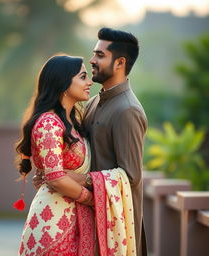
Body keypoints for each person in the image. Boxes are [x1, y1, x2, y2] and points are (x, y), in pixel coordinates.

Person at [34, 27, 148, 256]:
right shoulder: (94, 102)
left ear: (119, 63)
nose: (92, 60)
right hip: (88, 218)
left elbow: (131, 176)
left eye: (100, 55)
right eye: (94, 53)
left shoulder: (128, 110)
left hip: (116, 227)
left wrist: (74, 178)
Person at [15, 55, 96, 255]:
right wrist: (92, 199)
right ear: (64, 82)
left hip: (71, 216)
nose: (89, 82)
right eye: (83, 76)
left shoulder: (73, 123)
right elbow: (55, 177)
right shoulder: (49, 123)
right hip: (53, 223)